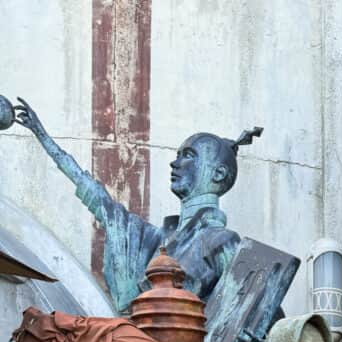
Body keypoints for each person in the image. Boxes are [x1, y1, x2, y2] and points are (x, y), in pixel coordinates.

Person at [13, 98, 261, 312]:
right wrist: (44, 139)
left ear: (217, 174)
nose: (175, 164)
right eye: (177, 155)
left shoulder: (222, 241)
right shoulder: (155, 239)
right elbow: (99, 200)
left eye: (188, 156)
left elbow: (258, 304)